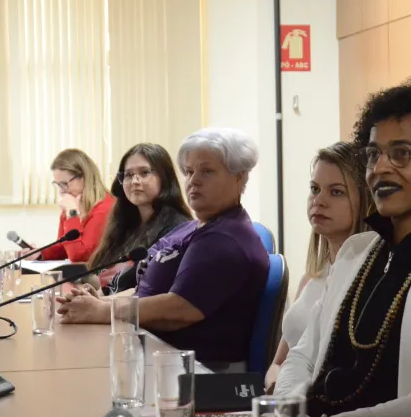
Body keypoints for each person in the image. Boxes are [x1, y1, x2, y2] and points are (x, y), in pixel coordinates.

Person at [275, 77, 411, 417]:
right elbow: (302, 356)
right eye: (373, 154)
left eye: (401, 154)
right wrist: (288, 409)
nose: (380, 168)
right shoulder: (356, 252)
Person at [56, 128, 270, 370]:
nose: (194, 180)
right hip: (152, 352)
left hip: (194, 370)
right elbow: (145, 289)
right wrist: (102, 302)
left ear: (238, 177)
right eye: (189, 172)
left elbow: (178, 310)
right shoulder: (192, 227)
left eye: (207, 171)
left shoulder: (226, 240)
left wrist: (101, 311)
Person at [264, 142, 373, 393]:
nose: (319, 201)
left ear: (365, 201)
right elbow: (279, 362)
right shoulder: (310, 278)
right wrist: (274, 383)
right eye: (314, 189)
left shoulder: (369, 278)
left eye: (336, 192)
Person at [85, 143, 192, 295]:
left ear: (164, 178)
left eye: (144, 173)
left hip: (137, 315)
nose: (135, 181)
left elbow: (153, 290)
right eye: (128, 175)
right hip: (106, 312)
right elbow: (103, 277)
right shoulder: (123, 224)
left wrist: (99, 303)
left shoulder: (177, 228)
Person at [43, 149, 114, 262]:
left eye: (64, 184)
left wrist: (72, 212)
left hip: (99, 277)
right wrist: (39, 253)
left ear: (84, 177)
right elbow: (63, 247)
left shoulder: (105, 208)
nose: (61, 191)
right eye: (58, 185)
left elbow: (78, 256)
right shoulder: (73, 203)